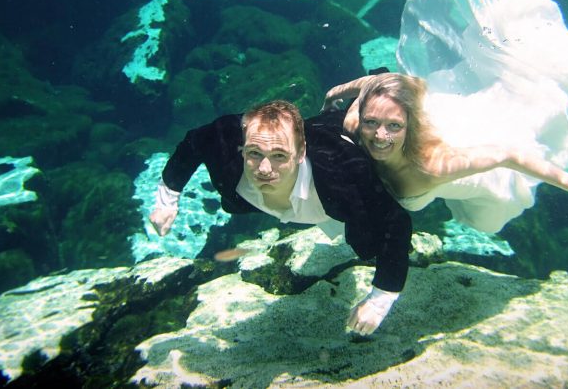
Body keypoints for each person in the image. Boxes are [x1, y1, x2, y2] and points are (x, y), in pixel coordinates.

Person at [150, 100, 412, 336]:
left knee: (388, 221)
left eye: (278, 156)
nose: (264, 169)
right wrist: (167, 199)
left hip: (339, 146)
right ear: (241, 148)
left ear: (300, 155)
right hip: (310, 156)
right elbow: (194, 142)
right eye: (254, 154)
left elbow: (396, 222)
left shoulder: (344, 176)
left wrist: (380, 299)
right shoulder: (224, 142)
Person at [323, 73, 568, 234]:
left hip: (474, 181)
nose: (379, 136)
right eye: (371, 123)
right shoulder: (355, 120)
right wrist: (332, 95)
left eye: (393, 126)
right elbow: (372, 83)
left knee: (487, 223)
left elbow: (509, 155)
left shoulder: (434, 165)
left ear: (410, 126)